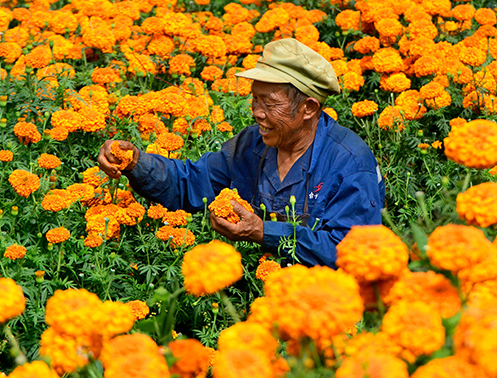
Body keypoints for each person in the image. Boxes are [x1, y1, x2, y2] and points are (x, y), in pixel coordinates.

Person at [96, 38, 385, 268]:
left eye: (269, 104)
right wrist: (136, 162)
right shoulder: (252, 144)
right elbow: (190, 182)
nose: (257, 113)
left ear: (308, 108)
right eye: (255, 99)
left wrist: (263, 232)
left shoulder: (350, 163)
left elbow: (350, 253)